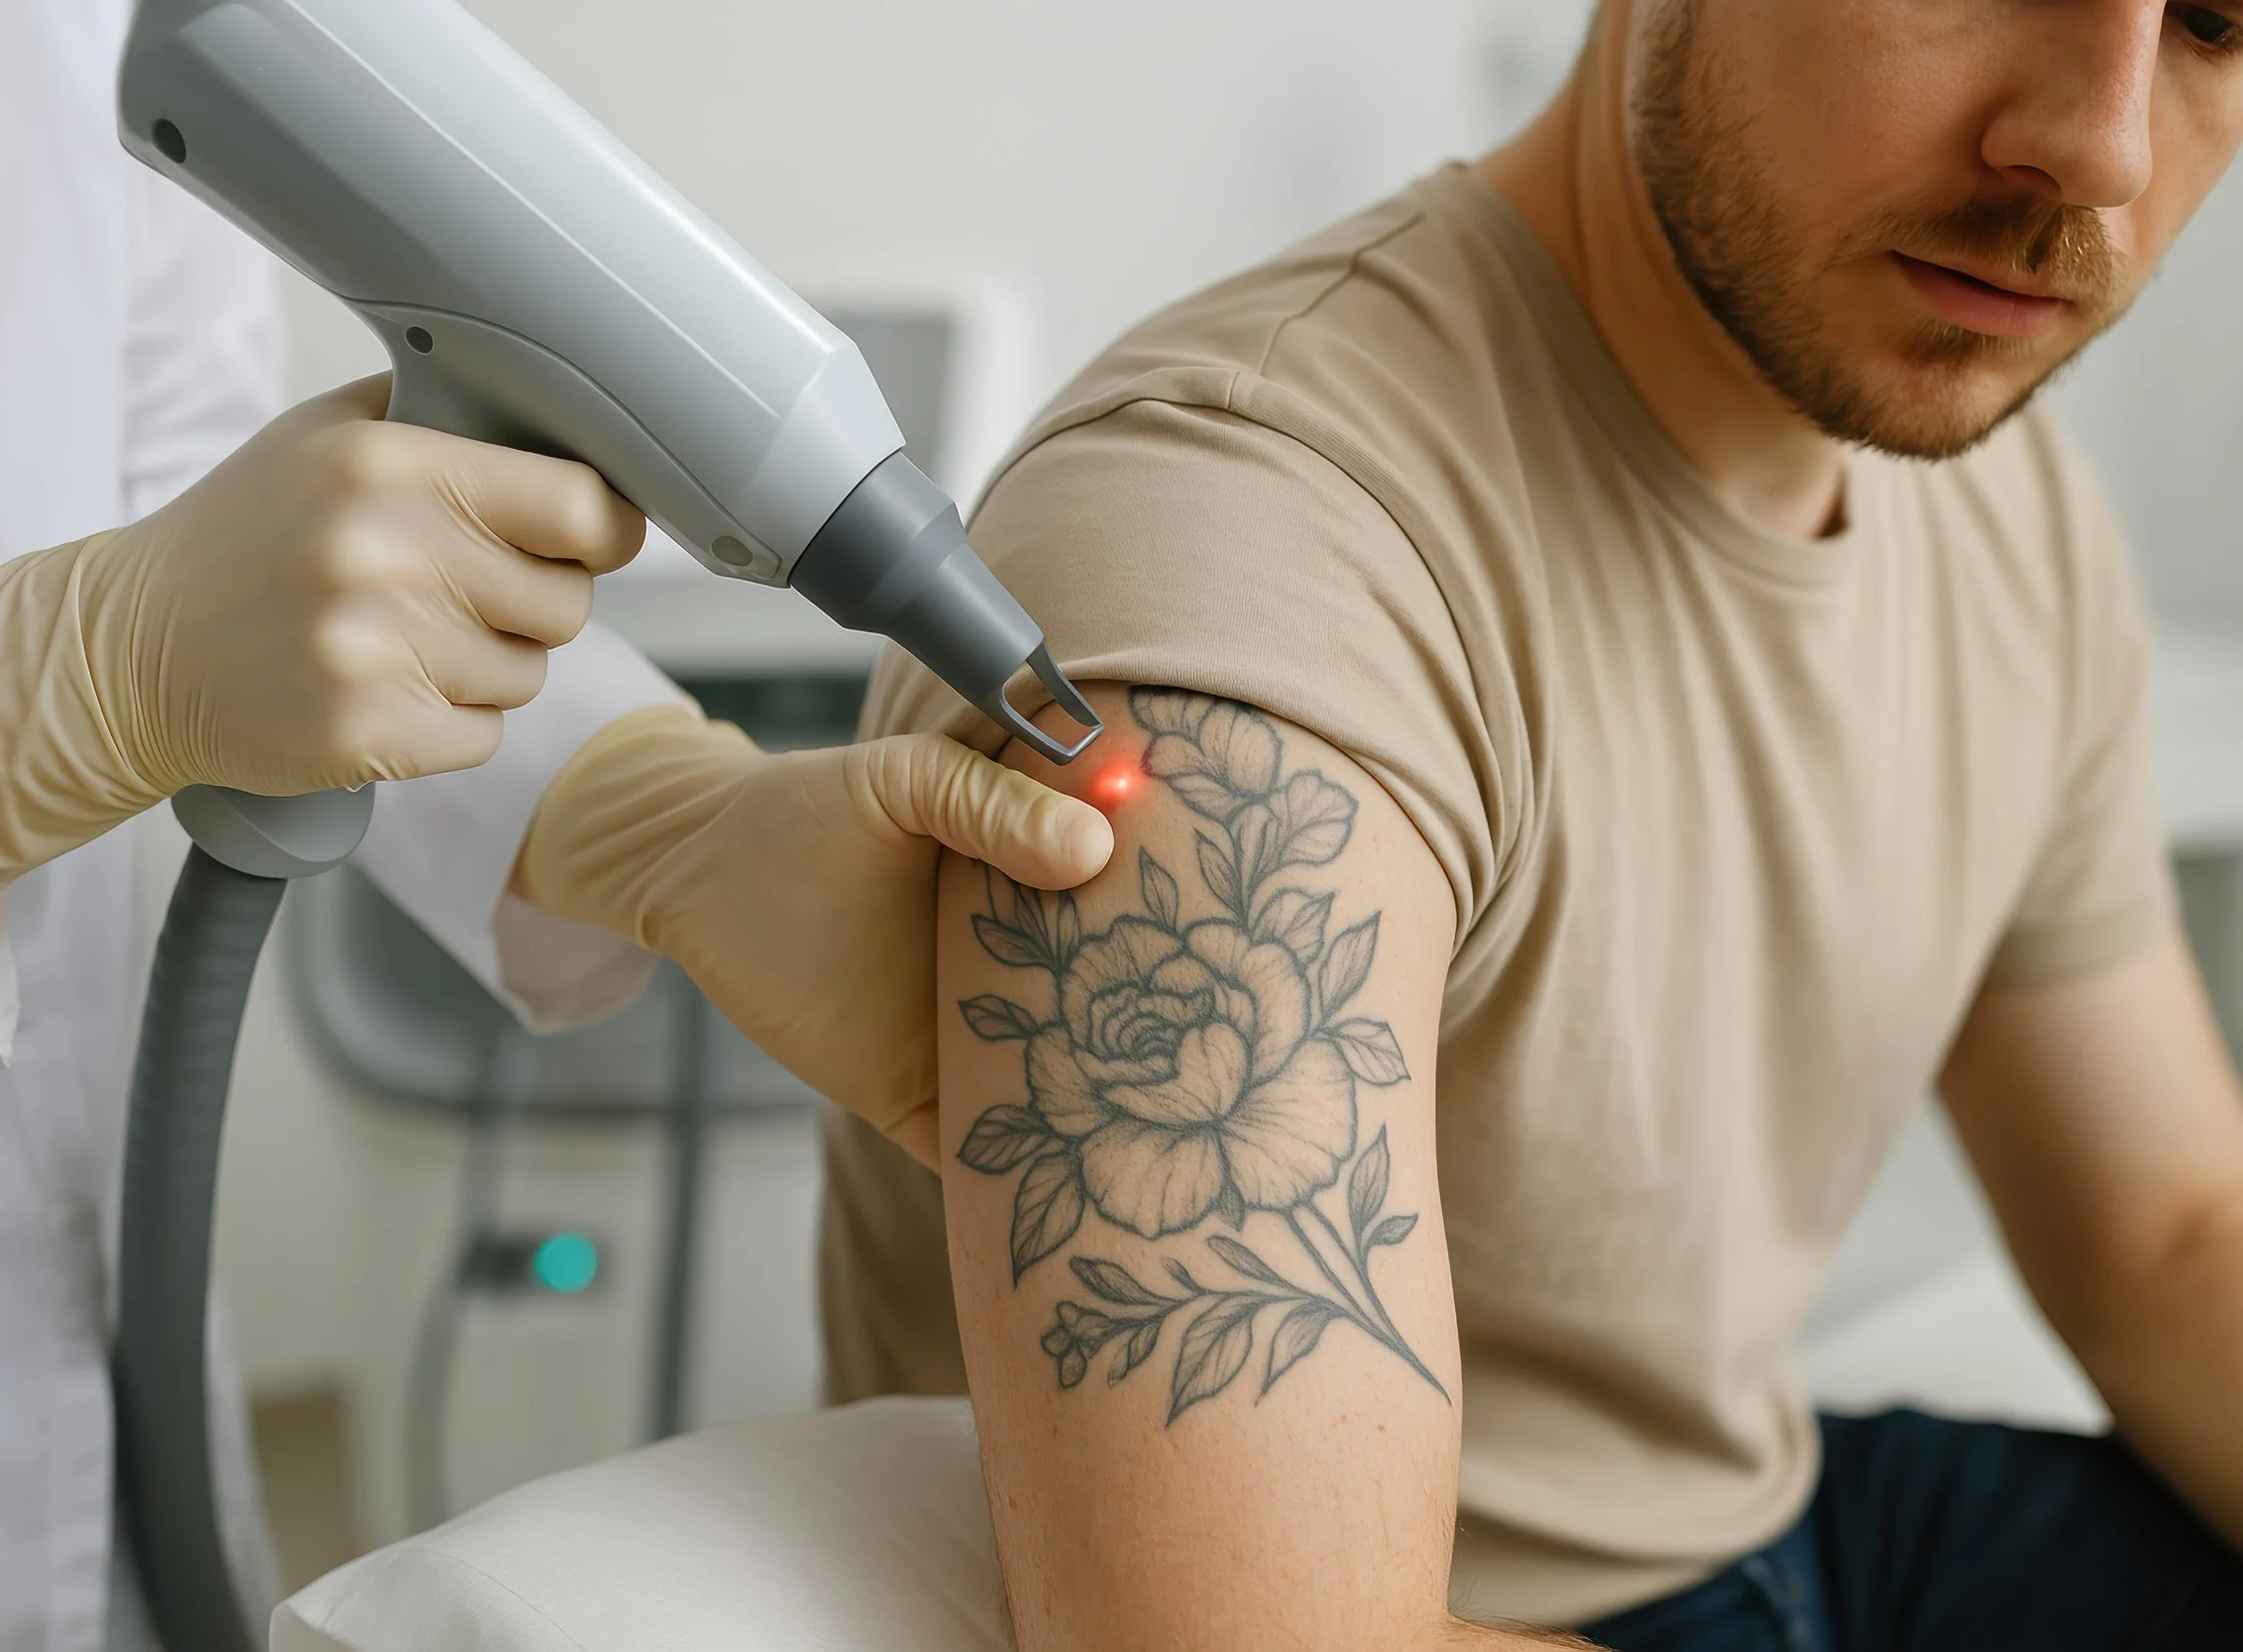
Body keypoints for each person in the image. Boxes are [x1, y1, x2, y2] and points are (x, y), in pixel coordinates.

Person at [825, 0, 2243, 1646]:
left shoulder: (2007, 512)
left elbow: (2163, 1234)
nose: (2102, 148)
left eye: (2215, 23)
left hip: (1772, 1522)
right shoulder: (1243, 563)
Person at [0, 5, 1108, 1647]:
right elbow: (146, 596)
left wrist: (650, 814)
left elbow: (177, 454)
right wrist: (37, 696)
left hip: (74, 1430)